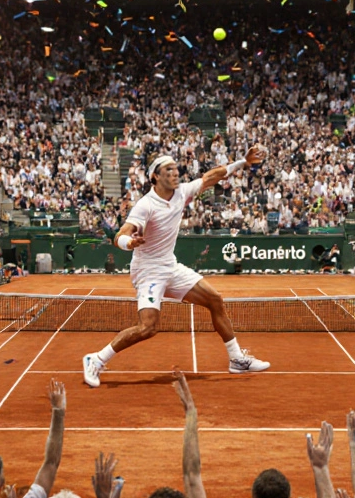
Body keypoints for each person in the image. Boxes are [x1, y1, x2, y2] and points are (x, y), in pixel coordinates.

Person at [82, 147, 271, 387]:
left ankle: (237, 359)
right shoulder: (145, 205)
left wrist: (243, 162)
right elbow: (120, 235)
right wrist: (130, 243)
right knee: (148, 327)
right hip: (148, 271)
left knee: (215, 300)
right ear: (155, 176)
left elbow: (211, 177)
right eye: (168, 169)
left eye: (175, 168)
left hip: (170, 266)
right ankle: (96, 359)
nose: (175, 173)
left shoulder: (182, 192)